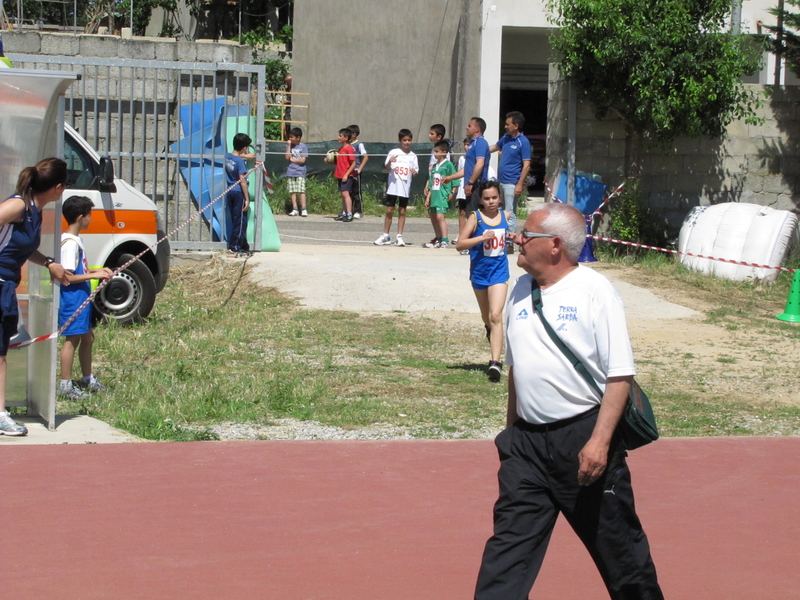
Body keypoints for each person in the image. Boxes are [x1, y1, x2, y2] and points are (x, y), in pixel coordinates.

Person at [473, 202, 664, 600]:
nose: (516, 238)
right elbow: (518, 369)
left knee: (623, 557)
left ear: (555, 245)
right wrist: (510, 437)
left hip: (582, 442)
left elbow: (620, 375)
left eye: (527, 234)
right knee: (505, 558)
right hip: (526, 447)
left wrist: (598, 442)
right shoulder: (522, 289)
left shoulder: (594, 291)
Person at [0, 158, 71, 436]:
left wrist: (50, 263)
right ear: (58, 187)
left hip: (6, 286)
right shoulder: (19, 204)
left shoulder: (34, 211)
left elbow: (22, 247)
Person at [57, 196, 114, 400]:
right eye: (89, 216)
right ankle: (65, 385)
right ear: (80, 217)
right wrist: (94, 275)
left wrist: (99, 271)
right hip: (72, 298)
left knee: (88, 337)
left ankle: (87, 378)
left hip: (81, 297)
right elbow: (68, 276)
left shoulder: (75, 241)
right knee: (72, 339)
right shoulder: (69, 244)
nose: (91, 219)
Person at [455, 181, 510, 382]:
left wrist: (511, 238)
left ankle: (495, 363)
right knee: (487, 317)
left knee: (496, 315)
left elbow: (506, 242)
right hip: (479, 274)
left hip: (499, 273)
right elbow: (460, 244)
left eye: (494, 197)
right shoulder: (475, 218)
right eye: (487, 198)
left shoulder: (506, 216)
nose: (491, 201)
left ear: (500, 198)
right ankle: (489, 329)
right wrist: (481, 238)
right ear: (481, 200)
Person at [490, 110, 531, 240]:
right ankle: (501, 236)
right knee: (500, 211)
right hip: (500, 181)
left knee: (509, 212)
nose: (505, 126)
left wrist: (519, 184)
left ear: (516, 125)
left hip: (511, 183)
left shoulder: (523, 142)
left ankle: (509, 240)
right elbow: (494, 147)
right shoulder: (506, 138)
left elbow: (527, 165)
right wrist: (478, 151)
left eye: (508, 124)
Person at [374, 129, 418, 247]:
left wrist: (414, 171)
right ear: (400, 141)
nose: (407, 142)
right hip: (393, 187)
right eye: (404, 140)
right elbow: (387, 168)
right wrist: (390, 162)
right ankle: (385, 235)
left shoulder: (413, 156)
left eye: (409, 140)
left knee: (402, 211)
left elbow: (415, 171)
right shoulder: (394, 152)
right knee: (389, 210)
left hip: (404, 187)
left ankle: (399, 236)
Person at [443, 117, 490, 216]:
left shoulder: (480, 142)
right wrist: (450, 177)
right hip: (472, 185)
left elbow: (480, 163)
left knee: (475, 217)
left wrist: (470, 182)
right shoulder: (473, 144)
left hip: (477, 186)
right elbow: (468, 168)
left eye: (469, 126)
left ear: (477, 129)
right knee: (470, 215)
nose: (466, 128)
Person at [423, 140, 455, 249]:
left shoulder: (448, 165)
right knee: (433, 217)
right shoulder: (434, 166)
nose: (434, 154)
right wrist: (428, 198)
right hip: (434, 195)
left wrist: (452, 192)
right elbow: (432, 183)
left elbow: (455, 180)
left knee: (440, 217)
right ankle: (438, 237)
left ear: (444, 152)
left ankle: (445, 239)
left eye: (437, 151)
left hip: (442, 195)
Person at [225, 132, 252, 257]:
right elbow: (242, 180)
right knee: (241, 221)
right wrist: (247, 198)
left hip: (229, 191)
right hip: (238, 193)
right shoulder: (240, 161)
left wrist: (246, 156)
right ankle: (235, 246)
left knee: (235, 219)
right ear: (244, 148)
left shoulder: (228, 156)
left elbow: (238, 158)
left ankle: (243, 245)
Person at [330, 127, 356, 223]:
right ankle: (344, 213)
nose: (338, 137)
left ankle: (349, 214)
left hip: (347, 175)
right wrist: (329, 162)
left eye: (340, 136)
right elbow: (339, 163)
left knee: (346, 193)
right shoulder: (341, 149)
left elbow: (353, 163)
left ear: (346, 138)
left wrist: (346, 174)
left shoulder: (349, 149)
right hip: (340, 174)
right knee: (343, 194)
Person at [284, 127, 308, 217]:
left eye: (292, 137)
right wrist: (289, 146)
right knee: (292, 191)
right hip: (291, 171)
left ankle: (304, 209)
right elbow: (287, 157)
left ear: (298, 138)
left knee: (301, 190)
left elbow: (303, 160)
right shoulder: (290, 146)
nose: (290, 139)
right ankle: (295, 209)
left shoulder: (303, 146)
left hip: (300, 171)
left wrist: (293, 160)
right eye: (289, 137)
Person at [347, 124, 369, 219]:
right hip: (348, 171)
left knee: (357, 192)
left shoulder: (359, 144)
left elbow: (365, 156)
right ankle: (349, 210)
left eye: (349, 134)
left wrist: (359, 169)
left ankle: (358, 211)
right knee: (349, 192)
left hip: (356, 171)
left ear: (354, 134)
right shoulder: (347, 145)